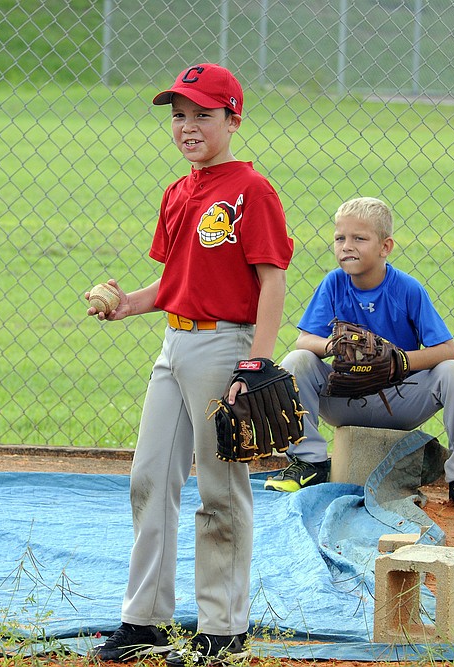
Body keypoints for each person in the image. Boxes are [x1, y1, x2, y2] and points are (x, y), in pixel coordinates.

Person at [87, 63, 294, 664]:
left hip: (226, 346)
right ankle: (146, 619)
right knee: (149, 479)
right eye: (179, 115)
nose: (188, 125)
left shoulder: (250, 191)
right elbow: (174, 281)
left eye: (203, 113)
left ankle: (222, 631)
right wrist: (129, 304)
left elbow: (272, 281)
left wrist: (256, 363)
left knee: (221, 490)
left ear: (233, 118)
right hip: (173, 346)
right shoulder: (179, 191)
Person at [266, 196, 454, 517]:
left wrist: (400, 361)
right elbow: (305, 339)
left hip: (402, 399)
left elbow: (447, 350)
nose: (347, 246)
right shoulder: (333, 284)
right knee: (295, 361)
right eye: (340, 238)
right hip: (346, 398)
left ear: (385, 247)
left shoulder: (407, 289)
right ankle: (309, 462)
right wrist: (334, 347)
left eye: (360, 238)